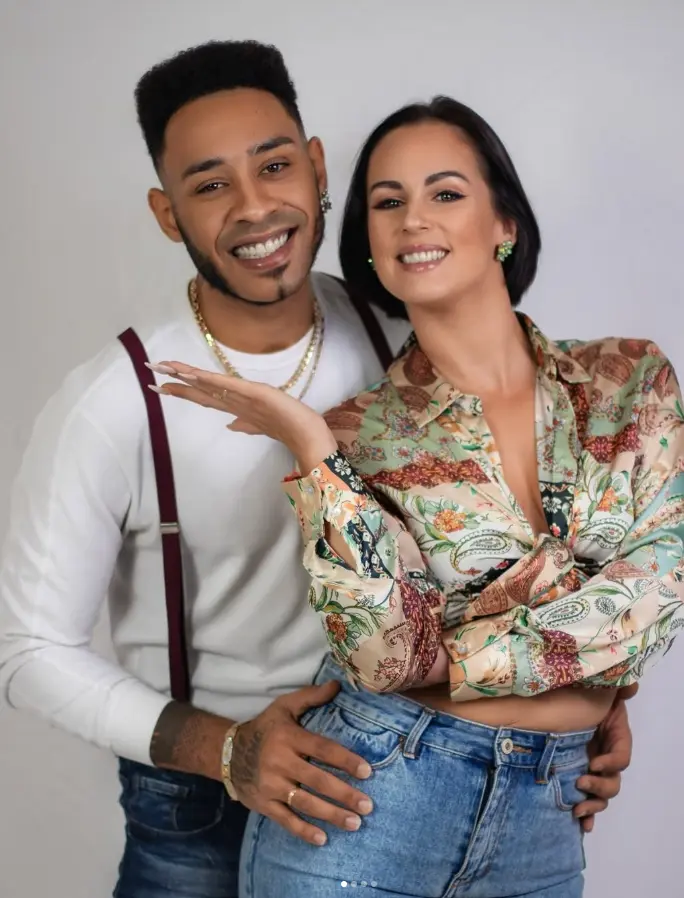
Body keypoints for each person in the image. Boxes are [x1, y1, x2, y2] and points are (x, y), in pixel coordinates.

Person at [0, 41, 629, 898]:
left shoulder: (397, 333)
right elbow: (29, 651)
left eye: (275, 166)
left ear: (318, 168)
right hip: (206, 806)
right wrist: (227, 750)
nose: (256, 207)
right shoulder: (115, 401)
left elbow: (513, 547)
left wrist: (590, 700)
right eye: (211, 185)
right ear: (166, 213)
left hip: (404, 771)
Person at [154, 95, 683, 897]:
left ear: (504, 222)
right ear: (369, 246)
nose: (413, 220)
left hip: (548, 818)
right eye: (387, 202)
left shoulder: (630, 379)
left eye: (445, 192)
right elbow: (382, 656)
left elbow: (659, 593)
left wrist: (450, 657)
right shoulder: (353, 436)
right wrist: (313, 449)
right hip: (366, 803)